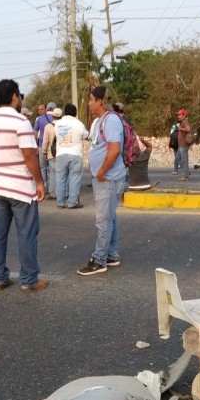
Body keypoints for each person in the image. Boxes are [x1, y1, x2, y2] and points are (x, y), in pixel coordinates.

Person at [0, 79, 48, 292]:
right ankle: (29, 280)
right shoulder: (20, 122)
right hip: (20, 189)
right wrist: (39, 182)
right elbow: (29, 156)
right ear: (14, 97)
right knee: (26, 233)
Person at [77, 86, 126, 276]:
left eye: (90, 100)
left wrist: (101, 171)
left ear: (99, 101)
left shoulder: (112, 120)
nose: (88, 103)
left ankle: (99, 260)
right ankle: (112, 254)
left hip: (109, 178)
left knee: (103, 219)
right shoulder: (99, 121)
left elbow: (114, 150)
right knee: (110, 217)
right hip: (104, 177)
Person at [53, 103, 89, 209]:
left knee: (60, 178)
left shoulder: (57, 124)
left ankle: (60, 202)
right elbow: (86, 135)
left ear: (64, 112)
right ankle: (72, 202)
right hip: (75, 154)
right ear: (75, 113)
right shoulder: (79, 124)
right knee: (74, 178)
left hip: (60, 154)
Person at [41, 107, 62, 200]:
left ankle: (53, 193)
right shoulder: (63, 125)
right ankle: (63, 193)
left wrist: (44, 152)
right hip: (62, 153)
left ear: (53, 116)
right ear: (62, 116)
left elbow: (45, 141)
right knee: (62, 174)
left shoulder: (48, 126)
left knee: (52, 173)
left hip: (51, 153)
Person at [33, 102, 56, 189]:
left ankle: (44, 186)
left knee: (42, 168)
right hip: (53, 146)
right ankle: (52, 188)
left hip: (41, 145)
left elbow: (35, 132)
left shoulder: (39, 119)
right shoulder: (57, 118)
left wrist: (35, 145)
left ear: (46, 109)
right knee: (51, 168)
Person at [175, 109, 192, 181]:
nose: (178, 116)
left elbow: (188, 129)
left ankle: (185, 176)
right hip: (181, 145)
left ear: (184, 115)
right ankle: (186, 172)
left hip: (183, 145)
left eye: (180, 115)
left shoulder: (185, 121)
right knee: (178, 159)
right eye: (178, 115)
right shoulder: (183, 121)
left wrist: (180, 128)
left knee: (183, 160)